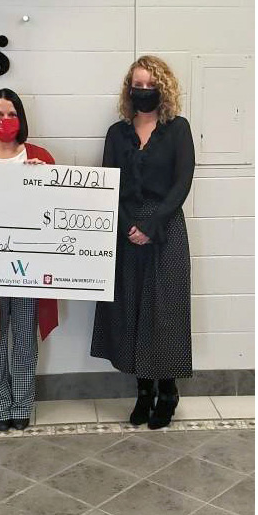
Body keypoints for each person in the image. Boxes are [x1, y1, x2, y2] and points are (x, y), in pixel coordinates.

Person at [90, 56, 195, 429]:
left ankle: (167, 391)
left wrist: (151, 224)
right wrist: (127, 226)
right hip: (126, 228)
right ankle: (143, 391)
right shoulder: (117, 133)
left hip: (165, 229)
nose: (144, 91)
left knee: (163, 311)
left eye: (151, 85)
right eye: (138, 85)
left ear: (162, 89)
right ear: (128, 89)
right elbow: (107, 184)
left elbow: (182, 183)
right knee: (132, 309)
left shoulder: (178, 129)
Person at [0, 89, 59, 432]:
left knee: (23, 339)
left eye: (10, 113)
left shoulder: (40, 157)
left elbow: (58, 212)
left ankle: (22, 404)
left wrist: (46, 180)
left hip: (28, 268)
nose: (3, 120)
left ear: (21, 119)